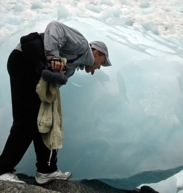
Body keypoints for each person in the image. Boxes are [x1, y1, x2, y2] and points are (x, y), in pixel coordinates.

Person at [0, 21, 111, 184]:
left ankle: (46, 170)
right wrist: (53, 56)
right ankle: (2, 169)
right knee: (26, 120)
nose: (96, 69)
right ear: (97, 53)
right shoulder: (81, 44)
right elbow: (55, 27)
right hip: (24, 61)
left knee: (43, 120)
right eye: (100, 64)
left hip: (31, 70)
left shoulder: (73, 66)